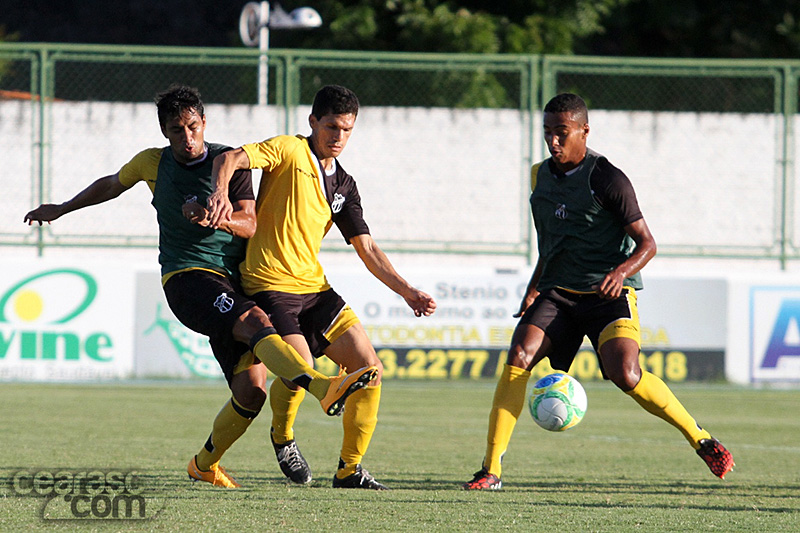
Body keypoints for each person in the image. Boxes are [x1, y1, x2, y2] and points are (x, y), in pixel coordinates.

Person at [23, 84, 377, 489]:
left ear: (204, 123)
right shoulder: (151, 163)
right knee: (255, 319)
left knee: (252, 393)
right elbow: (111, 184)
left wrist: (217, 217)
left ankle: (204, 464)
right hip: (187, 278)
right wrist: (63, 208)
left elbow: (250, 223)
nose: (187, 137)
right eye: (177, 130)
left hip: (232, 282)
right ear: (165, 132)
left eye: (193, 127)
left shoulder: (232, 167)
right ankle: (323, 388)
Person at [463, 93, 734, 490]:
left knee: (625, 374)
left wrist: (621, 272)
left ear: (584, 131)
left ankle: (701, 438)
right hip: (558, 293)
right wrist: (534, 287)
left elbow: (647, 244)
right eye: (547, 133)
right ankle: (491, 470)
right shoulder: (540, 176)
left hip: (607, 296)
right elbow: (552, 243)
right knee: (518, 356)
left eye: (562, 133)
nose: (553, 142)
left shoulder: (607, 179)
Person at [207, 84, 437, 490]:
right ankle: (283, 436)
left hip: (315, 289)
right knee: (302, 370)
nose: (339, 136)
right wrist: (221, 193)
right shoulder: (288, 150)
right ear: (313, 121)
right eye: (331, 126)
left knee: (370, 370)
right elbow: (231, 157)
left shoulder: (345, 185)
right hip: (269, 284)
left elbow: (366, 248)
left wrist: (406, 291)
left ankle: (349, 469)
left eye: (347, 129)